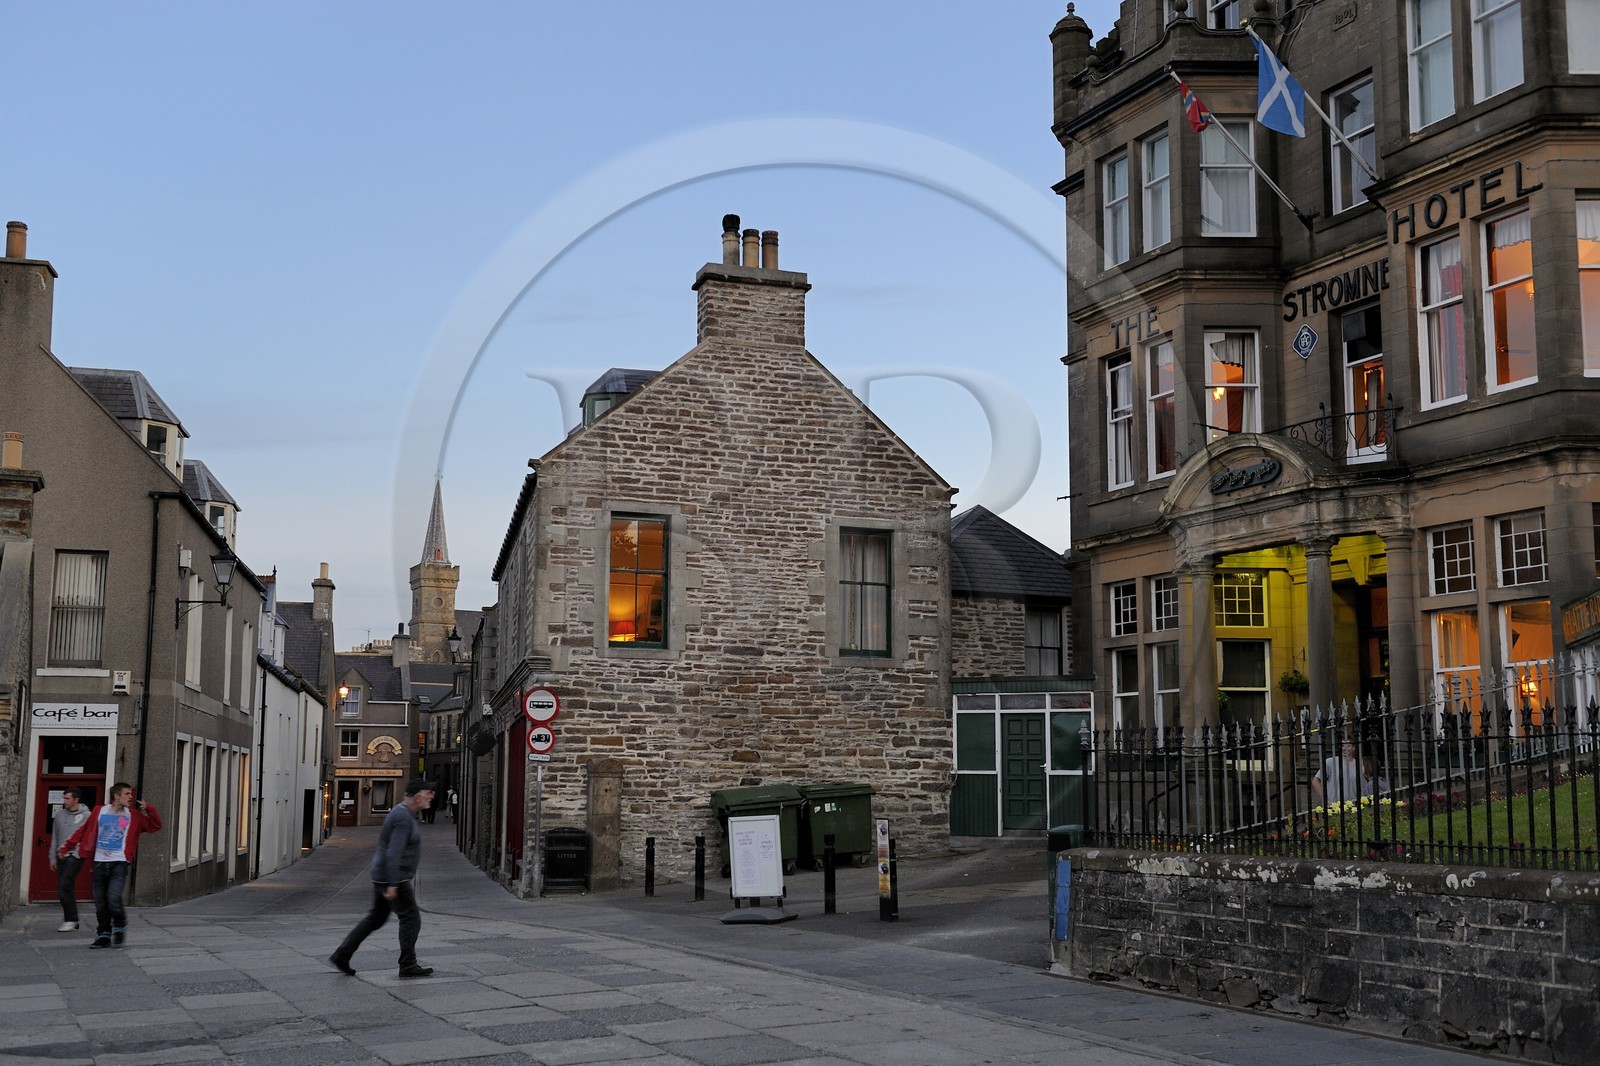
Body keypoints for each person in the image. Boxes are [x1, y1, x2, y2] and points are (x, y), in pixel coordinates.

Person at [329, 779, 436, 978]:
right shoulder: (403, 818)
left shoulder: (400, 812)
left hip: (383, 875)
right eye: (429, 792)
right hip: (394, 877)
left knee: (375, 919)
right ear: (417, 797)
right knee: (411, 918)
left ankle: (342, 954)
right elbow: (393, 853)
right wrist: (393, 884)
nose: (432, 796)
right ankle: (407, 965)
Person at [59, 782, 162, 948]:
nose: (130, 797)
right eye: (127, 794)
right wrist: (66, 846)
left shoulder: (134, 815)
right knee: (100, 902)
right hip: (100, 862)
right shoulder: (100, 811)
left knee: (113, 897)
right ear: (116, 796)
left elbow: (155, 825)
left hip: (119, 862)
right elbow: (83, 830)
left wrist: (149, 808)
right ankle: (104, 934)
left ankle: (119, 925)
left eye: (131, 794)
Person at [50, 788, 92, 931]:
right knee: (65, 887)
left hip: (75, 855)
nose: (65, 801)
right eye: (64, 798)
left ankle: (71, 920)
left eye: (68, 798)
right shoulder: (59, 815)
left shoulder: (87, 815)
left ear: (76, 799)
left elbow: (89, 836)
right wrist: (52, 857)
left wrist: (79, 852)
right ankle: (72, 919)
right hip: (60, 855)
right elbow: (55, 837)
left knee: (64, 885)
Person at [1311, 740, 1362, 807]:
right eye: (1343, 745)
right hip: (1334, 806)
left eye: (1348, 746)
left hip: (1353, 806)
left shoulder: (1359, 764)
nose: (1345, 748)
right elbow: (1315, 781)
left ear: (1353, 747)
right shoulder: (1330, 762)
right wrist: (1326, 800)